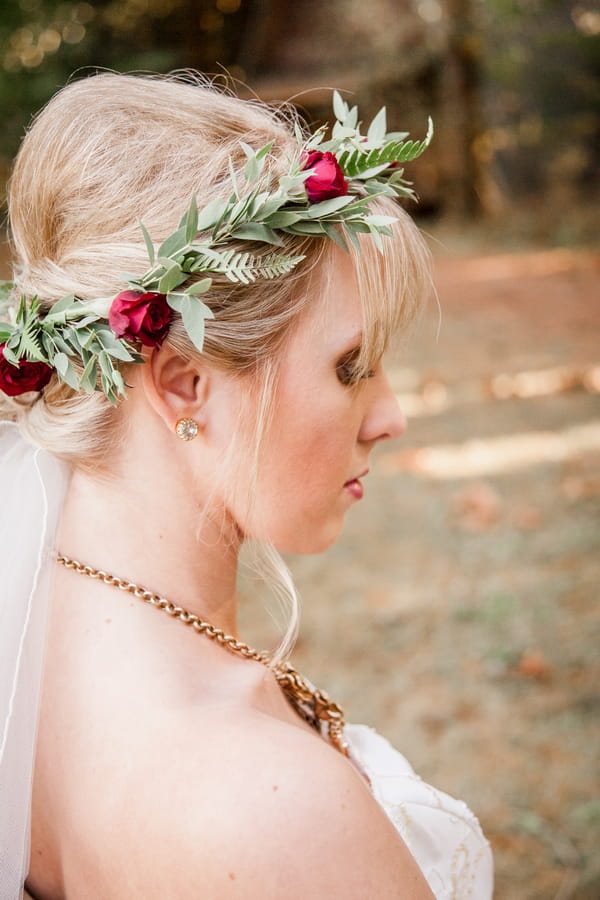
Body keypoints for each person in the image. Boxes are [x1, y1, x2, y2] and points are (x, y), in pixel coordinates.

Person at [0, 73, 493, 899]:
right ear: (185, 382)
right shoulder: (270, 814)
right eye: (350, 367)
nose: (390, 416)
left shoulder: (33, 647)